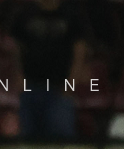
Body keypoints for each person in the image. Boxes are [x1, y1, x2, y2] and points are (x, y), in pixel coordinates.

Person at [9, 0, 90, 141]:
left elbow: (79, 52)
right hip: (30, 87)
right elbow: (16, 48)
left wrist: (71, 83)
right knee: (27, 140)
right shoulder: (24, 13)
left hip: (59, 89)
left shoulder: (72, 14)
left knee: (60, 141)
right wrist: (19, 75)